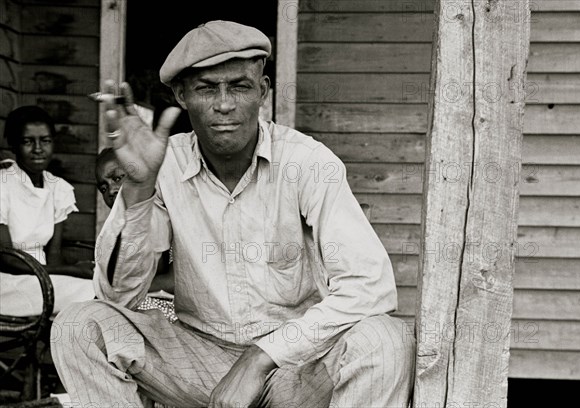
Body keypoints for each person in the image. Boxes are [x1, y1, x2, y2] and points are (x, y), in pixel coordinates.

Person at [51, 20, 415, 407]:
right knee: (77, 325)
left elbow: (370, 286)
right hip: (199, 361)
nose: (224, 104)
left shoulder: (307, 162)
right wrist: (138, 189)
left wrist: (261, 357)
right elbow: (118, 296)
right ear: (181, 95)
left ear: (263, 91)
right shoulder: (163, 164)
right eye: (207, 89)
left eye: (239, 86)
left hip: (298, 364)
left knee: (386, 339)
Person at [0, 105, 95, 317]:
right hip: (7, 281)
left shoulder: (57, 188)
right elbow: (6, 259)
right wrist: (73, 272)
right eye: (27, 141)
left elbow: (54, 255)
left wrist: (68, 275)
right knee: (92, 292)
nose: (37, 149)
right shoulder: (2, 185)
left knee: (96, 290)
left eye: (45, 140)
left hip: (43, 278)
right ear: (13, 145)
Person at [95, 146, 176, 322]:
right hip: (136, 302)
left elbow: (176, 281)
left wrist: (116, 290)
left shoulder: (168, 212)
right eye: (103, 188)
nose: (111, 191)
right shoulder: (116, 229)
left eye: (117, 178)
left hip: (173, 307)